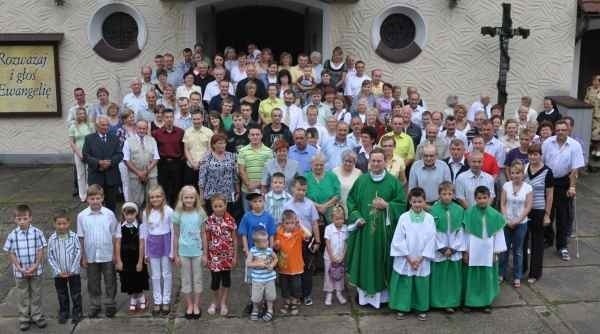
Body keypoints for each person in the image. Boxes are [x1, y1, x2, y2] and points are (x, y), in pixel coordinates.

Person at [345, 148, 407, 308]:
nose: (376, 164)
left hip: (384, 234)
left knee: (382, 261)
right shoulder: (361, 181)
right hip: (364, 232)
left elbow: (401, 204)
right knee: (365, 261)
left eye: (379, 161)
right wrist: (357, 217)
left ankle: (383, 298)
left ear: (385, 162)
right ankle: (364, 297)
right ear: (369, 162)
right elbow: (351, 201)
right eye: (373, 161)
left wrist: (387, 205)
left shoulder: (393, 182)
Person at [389, 187, 436, 320]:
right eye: (414, 202)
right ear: (410, 201)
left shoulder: (429, 219)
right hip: (406, 257)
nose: (417, 204)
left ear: (424, 201)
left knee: (420, 284)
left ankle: (420, 308)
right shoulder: (404, 218)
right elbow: (398, 238)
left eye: (420, 201)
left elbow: (432, 239)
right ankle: (402, 307)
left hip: (422, 258)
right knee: (405, 282)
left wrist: (421, 258)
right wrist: (409, 258)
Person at [542, 119, 585, 260]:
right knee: (547, 212)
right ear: (555, 130)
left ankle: (562, 246)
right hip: (548, 180)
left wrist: (572, 186)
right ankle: (548, 239)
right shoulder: (548, 142)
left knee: (563, 216)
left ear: (568, 130)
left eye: (563, 130)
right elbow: (541, 162)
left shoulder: (575, 145)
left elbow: (575, 169)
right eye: (558, 130)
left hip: (563, 181)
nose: (560, 132)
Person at [462, 186, 507, 312]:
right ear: (475, 199)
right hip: (473, 250)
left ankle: (486, 302)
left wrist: (495, 252)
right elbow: (465, 234)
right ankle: (470, 302)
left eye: (484, 198)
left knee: (487, 276)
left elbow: (498, 235)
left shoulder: (495, 215)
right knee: (471, 276)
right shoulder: (469, 213)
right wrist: (465, 251)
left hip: (488, 251)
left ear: (489, 198)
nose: (482, 200)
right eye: (479, 198)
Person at [77, 185, 119, 318]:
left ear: (102, 198)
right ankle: (95, 304)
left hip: (107, 254)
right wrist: (83, 256)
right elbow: (81, 237)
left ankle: (110, 303)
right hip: (91, 255)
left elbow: (114, 235)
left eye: (97, 198)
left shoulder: (109, 214)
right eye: (92, 198)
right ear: (87, 199)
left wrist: (115, 255)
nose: (95, 201)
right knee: (93, 282)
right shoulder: (82, 216)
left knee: (110, 280)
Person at [4, 204, 48, 331]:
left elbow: (40, 250)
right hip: (20, 272)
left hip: (36, 270)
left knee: (36, 294)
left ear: (30, 218)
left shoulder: (37, 233)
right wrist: (18, 267)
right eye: (19, 219)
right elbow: (10, 252)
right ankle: (24, 318)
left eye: (24, 218)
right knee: (22, 295)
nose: (22, 221)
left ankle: (37, 316)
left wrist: (35, 265)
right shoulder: (13, 235)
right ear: (15, 220)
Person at [282, 176, 322, 306]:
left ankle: (306, 295)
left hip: (306, 242)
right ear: (293, 188)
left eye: (304, 190)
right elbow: (282, 225)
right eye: (298, 189)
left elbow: (315, 223)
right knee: (294, 270)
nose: (301, 192)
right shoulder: (287, 205)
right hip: (292, 243)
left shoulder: (310, 205)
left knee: (307, 269)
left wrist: (317, 241)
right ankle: (295, 295)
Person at [429, 182, 465, 313]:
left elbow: (461, 230)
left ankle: (452, 301)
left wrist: (454, 248)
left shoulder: (459, 210)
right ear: (439, 194)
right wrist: (442, 248)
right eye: (444, 194)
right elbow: (432, 231)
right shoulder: (434, 210)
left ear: (453, 194)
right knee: (439, 277)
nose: (447, 197)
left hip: (454, 249)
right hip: (439, 250)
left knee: (452, 277)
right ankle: (437, 301)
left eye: (450, 194)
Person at [239, 191, 276, 315]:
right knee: (252, 279)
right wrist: (246, 249)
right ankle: (253, 301)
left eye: (260, 201)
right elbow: (243, 234)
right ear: (250, 203)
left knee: (265, 278)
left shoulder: (268, 217)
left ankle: (266, 302)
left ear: (264, 202)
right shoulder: (247, 217)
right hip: (252, 253)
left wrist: (270, 250)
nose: (258, 204)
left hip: (265, 254)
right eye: (255, 201)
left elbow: (271, 234)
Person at [172, 186, 206, 319]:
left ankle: (197, 304)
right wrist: (175, 254)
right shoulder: (177, 214)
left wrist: (205, 253)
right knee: (186, 280)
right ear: (182, 198)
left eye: (191, 197)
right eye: (186, 197)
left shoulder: (200, 213)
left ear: (195, 198)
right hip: (183, 252)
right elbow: (175, 235)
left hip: (197, 252)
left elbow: (204, 234)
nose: (189, 200)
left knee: (197, 279)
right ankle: (189, 304)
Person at [140, 185, 174, 316]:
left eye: (158, 196)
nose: (155, 199)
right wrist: (146, 253)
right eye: (152, 197)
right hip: (152, 244)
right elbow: (145, 232)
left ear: (163, 197)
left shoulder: (169, 211)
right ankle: (157, 300)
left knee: (166, 273)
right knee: (155, 275)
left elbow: (173, 232)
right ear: (149, 199)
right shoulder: (145, 212)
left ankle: (166, 300)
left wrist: (172, 251)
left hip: (165, 243)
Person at [499, 160, 533, 288]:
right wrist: (506, 219)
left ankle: (517, 276)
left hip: (521, 223)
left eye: (517, 173)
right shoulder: (506, 186)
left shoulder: (528, 188)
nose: (515, 175)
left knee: (518, 251)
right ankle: (501, 273)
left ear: (522, 173)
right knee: (504, 250)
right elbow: (502, 204)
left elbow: (528, 206)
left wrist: (518, 220)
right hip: (506, 223)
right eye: (512, 173)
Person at [523, 144, 554, 283]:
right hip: (524, 210)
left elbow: (550, 194)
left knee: (537, 242)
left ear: (540, 155)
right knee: (522, 241)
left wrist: (547, 214)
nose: (533, 157)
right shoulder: (524, 168)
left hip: (539, 210)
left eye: (536, 154)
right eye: (530, 154)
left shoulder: (548, 172)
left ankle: (534, 273)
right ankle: (522, 268)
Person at [204, 194, 237, 316]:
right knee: (215, 281)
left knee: (226, 280)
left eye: (221, 206)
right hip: (214, 257)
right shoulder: (209, 221)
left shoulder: (230, 220)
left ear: (225, 205)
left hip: (227, 257)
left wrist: (234, 256)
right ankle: (215, 301)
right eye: (215, 206)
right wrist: (206, 256)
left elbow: (234, 239)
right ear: (212, 207)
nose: (218, 208)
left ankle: (223, 302)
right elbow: (207, 240)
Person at [47, 211, 82, 325]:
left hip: (73, 272)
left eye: (64, 223)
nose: (62, 226)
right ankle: (64, 312)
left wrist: (72, 269)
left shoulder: (74, 237)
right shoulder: (52, 239)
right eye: (59, 224)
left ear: (69, 223)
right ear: (54, 224)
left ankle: (77, 312)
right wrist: (58, 271)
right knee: (61, 293)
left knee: (75, 293)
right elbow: (50, 256)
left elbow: (78, 252)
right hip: (59, 273)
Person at [275, 210, 313, 315]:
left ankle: (294, 303)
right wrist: (276, 246)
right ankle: (286, 303)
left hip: (296, 266)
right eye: (287, 223)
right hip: (284, 267)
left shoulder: (298, 232)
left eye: (292, 223)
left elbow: (309, 235)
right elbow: (276, 246)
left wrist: (299, 224)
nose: (290, 225)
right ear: (283, 223)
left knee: (296, 286)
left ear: (295, 222)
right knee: (284, 286)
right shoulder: (279, 233)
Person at [82, 116, 123, 213]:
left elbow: (119, 154)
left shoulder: (114, 138)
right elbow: (86, 156)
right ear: (96, 126)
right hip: (96, 176)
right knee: (95, 205)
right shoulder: (89, 138)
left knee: (111, 205)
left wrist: (110, 162)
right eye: (103, 125)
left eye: (107, 125)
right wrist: (98, 162)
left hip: (112, 176)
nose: (105, 127)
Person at [114, 202, 149, 314]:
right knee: (128, 279)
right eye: (127, 214)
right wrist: (118, 260)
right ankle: (133, 298)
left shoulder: (141, 226)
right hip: (125, 258)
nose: (129, 216)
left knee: (138, 278)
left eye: (132, 214)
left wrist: (140, 261)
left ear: (136, 214)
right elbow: (118, 243)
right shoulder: (120, 226)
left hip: (136, 257)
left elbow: (142, 244)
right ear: (123, 214)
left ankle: (142, 298)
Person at [198, 134, 239, 214]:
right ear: (213, 144)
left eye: (224, 143)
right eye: (220, 143)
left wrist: (237, 191)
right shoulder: (206, 158)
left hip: (228, 194)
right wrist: (201, 196)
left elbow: (235, 176)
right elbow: (202, 178)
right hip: (211, 195)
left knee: (227, 219)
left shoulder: (231, 156)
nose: (222, 145)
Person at [152, 109, 185, 207]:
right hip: (163, 164)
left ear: (174, 118)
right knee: (163, 189)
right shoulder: (157, 133)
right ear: (162, 118)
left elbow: (183, 148)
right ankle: (164, 209)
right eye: (166, 117)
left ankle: (176, 209)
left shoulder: (180, 132)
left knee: (177, 188)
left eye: (171, 117)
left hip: (177, 164)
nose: (169, 119)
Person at [123, 120, 160, 208]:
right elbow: (126, 159)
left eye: (144, 128)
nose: (142, 130)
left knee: (153, 199)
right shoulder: (128, 141)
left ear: (147, 129)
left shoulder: (152, 140)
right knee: (136, 201)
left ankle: (151, 219)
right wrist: (139, 173)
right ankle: (138, 219)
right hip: (135, 175)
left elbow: (156, 157)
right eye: (140, 128)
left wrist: (146, 171)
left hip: (151, 174)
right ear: (135, 128)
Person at [238, 126, 274, 211]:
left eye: (257, 134)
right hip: (247, 189)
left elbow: (269, 172)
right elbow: (241, 170)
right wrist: (249, 184)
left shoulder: (268, 152)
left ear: (261, 135)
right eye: (252, 135)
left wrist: (257, 184)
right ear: (248, 136)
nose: (255, 137)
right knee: (247, 215)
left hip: (262, 189)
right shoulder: (242, 151)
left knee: (262, 215)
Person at [246, 229, 278, 322]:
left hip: (269, 278)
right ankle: (255, 309)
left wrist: (272, 265)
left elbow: (275, 258)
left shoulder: (269, 250)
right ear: (256, 243)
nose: (267, 242)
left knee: (270, 296)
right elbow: (248, 263)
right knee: (256, 297)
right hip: (257, 279)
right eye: (264, 241)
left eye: (267, 240)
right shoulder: (253, 251)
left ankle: (270, 310)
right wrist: (258, 264)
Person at [323, 205, 349, 306]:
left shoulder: (346, 228)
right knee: (329, 274)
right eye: (336, 219)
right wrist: (332, 256)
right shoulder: (328, 228)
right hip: (329, 257)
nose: (339, 221)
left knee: (339, 275)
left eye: (341, 219)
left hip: (340, 256)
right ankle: (329, 293)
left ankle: (339, 293)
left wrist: (343, 255)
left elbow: (346, 243)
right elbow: (327, 243)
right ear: (332, 218)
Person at [306, 153, 341, 225]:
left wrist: (325, 206)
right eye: (316, 165)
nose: (319, 167)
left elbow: (338, 195)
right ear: (311, 165)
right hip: (311, 210)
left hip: (330, 211)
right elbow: (304, 196)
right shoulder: (306, 177)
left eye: (321, 165)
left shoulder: (332, 176)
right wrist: (318, 206)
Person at [183, 109, 214, 188]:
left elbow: (210, 150)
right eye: (194, 119)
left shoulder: (209, 132)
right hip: (190, 166)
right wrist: (193, 163)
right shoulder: (187, 132)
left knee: (204, 190)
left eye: (198, 119)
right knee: (190, 190)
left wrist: (200, 162)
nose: (196, 121)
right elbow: (186, 150)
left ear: (202, 119)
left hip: (204, 166)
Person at [69, 107, 95, 202]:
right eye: (80, 114)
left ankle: (89, 193)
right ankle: (82, 195)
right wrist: (79, 154)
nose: (82, 115)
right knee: (80, 174)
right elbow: (72, 142)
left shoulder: (90, 125)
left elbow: (93, 139)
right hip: (78, 152)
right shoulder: (73, 127)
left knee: (89, 173)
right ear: (77, 115)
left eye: (83, 113)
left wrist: (89, 153)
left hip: (89, 153)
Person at [585, 74, 600, 157]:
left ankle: (598, 149)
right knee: (590, 133)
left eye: (597, 80)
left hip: (598, 116)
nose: (595, 82)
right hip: (590, 114)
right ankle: (594, 149)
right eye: (594, 80)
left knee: (597, 134)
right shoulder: (589, 89)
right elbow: (586, 98)